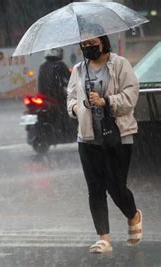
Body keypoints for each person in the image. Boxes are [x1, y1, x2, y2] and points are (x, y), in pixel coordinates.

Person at [67, 33, 142, 253]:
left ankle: (133, 214)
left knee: (116, 187)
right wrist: (75, 108)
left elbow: (131, 94)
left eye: (93, 43)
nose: (89, 47)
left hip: (117, 135)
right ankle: (104, 238)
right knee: (95, 189)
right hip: (88, 138)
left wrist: (106, 101)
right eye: (84, 44)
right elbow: (70, 97)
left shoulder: (119, 64)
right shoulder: (79, 69)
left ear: (103, 42)